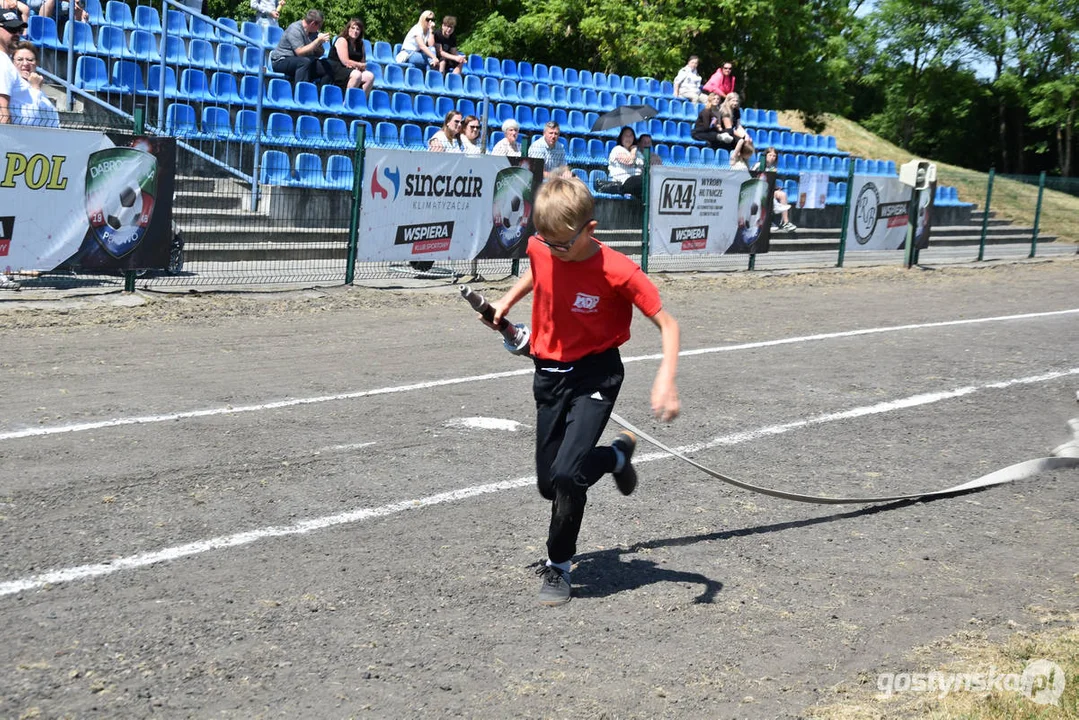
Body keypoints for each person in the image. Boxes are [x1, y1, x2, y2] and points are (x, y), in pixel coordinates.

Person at [483, 176, 681, 606]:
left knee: (568, 476)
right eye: (545, 240)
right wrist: (505, 303)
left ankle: (559, 567)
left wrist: (665, 377)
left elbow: (668, 323)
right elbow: (538, 269)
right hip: (549, 374)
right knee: (548, 484)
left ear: (589, 230)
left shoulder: (619, 270)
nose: (551, 249)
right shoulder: (543, 245)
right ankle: (614, 457)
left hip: (596, 375)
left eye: (562, 244)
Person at [269, 9, 333, 86]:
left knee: (327, 66)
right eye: (319, 26)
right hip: (281, 60)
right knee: (304, 62)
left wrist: (319, 43)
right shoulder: (295, 29)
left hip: (302, 61)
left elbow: (320, 53)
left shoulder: (313, 33)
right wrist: (317, 41)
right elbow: (299, 52)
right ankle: (300, 94)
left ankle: (319, 94)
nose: (319, 29)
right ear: (313, 24)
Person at [12, 42, 59, 127]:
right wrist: (35, 88)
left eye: (30, 60)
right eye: (20, 59)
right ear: (12, 63)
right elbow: (29, 118)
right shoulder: (12, 88)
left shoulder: (38, 90)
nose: (25, 64)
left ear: (37, 63)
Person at [754, 146, 796, 231]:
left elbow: (770, 182)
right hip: (757, 190)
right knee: (768, 194)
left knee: (782, 195)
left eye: (774, 156)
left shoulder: (773, 168)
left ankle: (785, 222)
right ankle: (770, 218)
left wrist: (776, 188)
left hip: (769, 189)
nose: (772, 158)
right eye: (770, 155)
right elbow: (753, 177)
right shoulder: (758, 165)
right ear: (765, 155)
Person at [0, 10, 31, 125]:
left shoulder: (5, 60)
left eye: (19, 30)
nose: (17, 34)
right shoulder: (1, 61)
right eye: (12, 29)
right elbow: (2, 110)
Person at [328, 18, 374, 93]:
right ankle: (347, 102)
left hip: (352, 69)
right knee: (357, 75)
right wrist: (358, 65)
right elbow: (345, 62)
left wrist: (360, 66)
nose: (355, 31)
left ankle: (360, 101)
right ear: (348, 29)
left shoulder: (361, 44)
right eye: (353, 28)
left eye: (358, 29)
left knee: (370, 76)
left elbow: (363, 63)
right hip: (337, 68)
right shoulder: (342, 40)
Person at [607, 125, 644, 197]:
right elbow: (629, 161)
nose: (628, 138)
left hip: (637, 182)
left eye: (630, 136)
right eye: (626, 136)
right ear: (621, 137)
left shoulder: (638, 153)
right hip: (622, 183)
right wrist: (633, 150)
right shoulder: (617, 149)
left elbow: (644, 163)